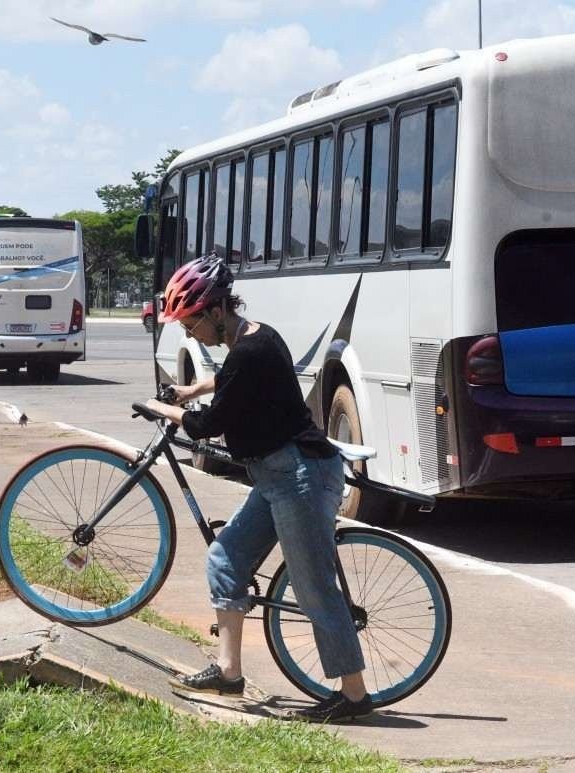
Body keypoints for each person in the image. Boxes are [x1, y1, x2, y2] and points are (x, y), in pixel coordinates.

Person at [144, 255, 372, 723]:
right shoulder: (253, 336)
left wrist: (162, 408)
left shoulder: (251, 349)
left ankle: (354, 697)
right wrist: (190, 390)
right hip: (275, 475)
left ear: (214, 311)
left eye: (190, 322)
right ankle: (229, 672)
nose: (188, 333)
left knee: (313, 590)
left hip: (301, 476)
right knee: (225, 559)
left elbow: (208, 425)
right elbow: (232, 382)